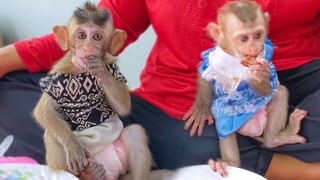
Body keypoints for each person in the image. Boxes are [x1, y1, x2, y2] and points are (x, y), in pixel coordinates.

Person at [0, 0, 320, 179]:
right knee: (14, 89)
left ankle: (278, 165)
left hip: (296, 80)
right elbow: (96, 33)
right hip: (182, 102)